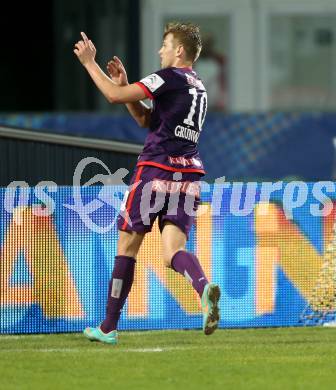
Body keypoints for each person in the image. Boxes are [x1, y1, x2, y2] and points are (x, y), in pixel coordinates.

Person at [74, 22, 220, 345]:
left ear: (179, 51)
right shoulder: (198, 87)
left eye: (165, 45)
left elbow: (112, 96)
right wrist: (126, 84)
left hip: (156, 171)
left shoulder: (168, 77)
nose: (160, 50)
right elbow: (145, 119)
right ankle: (203, 288)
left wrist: (89, 63)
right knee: (173, 252)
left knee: (127, 245)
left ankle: (109, 326)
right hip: (189, 177)